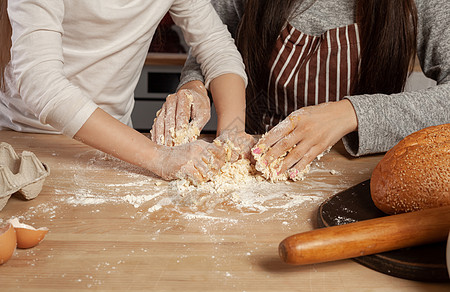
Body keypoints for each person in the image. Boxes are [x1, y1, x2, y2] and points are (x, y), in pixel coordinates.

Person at [159, 0, 449, 180]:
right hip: (254, 167)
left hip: (359, 177)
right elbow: (213, 43)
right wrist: (194, 83)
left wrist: (349, 114)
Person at [0, 0, 250, 184]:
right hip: (28, 144)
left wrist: (232, 135)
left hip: (116, 149)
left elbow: (217, 49)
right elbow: (40, 82)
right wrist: (160, 158)